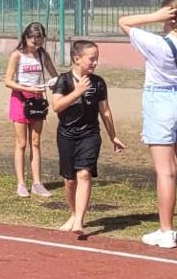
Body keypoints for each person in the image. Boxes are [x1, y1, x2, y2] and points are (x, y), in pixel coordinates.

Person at [119, 0, 177, 249]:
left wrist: (155, 16)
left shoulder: (156, 43)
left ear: (167, 17)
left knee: (165, 172)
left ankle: (166, 231)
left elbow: (123, 22)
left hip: (159, 101)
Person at [50, 40, 124, 235]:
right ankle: (74, 213)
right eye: (91, 59)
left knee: (84, 174)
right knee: (69, 180)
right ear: (77, 59)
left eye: (96, 59)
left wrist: (113, 136)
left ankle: (79, 221)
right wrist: (77, 92)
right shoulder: (63, 80)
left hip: (90, 134)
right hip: (66, 135)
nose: (95, 63)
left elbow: (105, 111)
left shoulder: (98, 82)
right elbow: (56, 106)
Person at [4, 22, 57, 198]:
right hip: (20, 99)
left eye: (39, 42)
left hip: (37, 100)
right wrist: (27, 88)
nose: (36, 45)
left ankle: (37, 183)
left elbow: (55, 75)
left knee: (35, 142)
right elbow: (8, 81)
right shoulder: (16, 55)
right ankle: (21, 183)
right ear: (26, 37)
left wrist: (53, 83)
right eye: (33, 41)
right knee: (21, 143)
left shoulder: (42, 55)